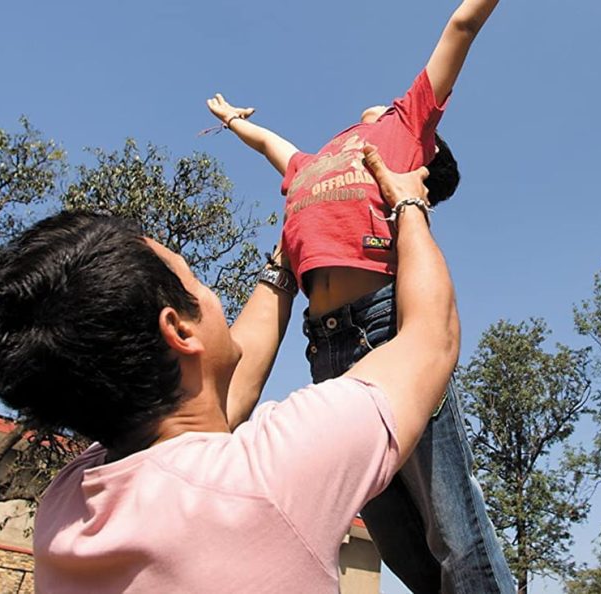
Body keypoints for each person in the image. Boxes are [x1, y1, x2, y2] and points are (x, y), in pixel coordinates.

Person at [0, 147, 456, 593]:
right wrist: (410, 206)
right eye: (193, 279)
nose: (211, 294)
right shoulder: (269, 480)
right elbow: (431, 340)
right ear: (179, 330)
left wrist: (287, 256)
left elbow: (217, 393)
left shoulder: (67, 506)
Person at [205, 1, 513, 591]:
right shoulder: (317, 161)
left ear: (428, 152)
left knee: (454, 523)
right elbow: (274, 146)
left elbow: (461, 25)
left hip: (387, 330)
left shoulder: (405, 127)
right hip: (325, 352)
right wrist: (232, 120)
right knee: (394, 535)